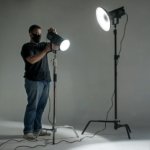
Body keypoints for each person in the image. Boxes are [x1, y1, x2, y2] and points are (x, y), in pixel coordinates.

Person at [21, 25, 56, 140]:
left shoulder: (43, 45)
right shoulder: (27, 47)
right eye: (36, 33)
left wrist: (54, 36)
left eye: (40, 33)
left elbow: (57, 47)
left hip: (46, 80)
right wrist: (45, 50)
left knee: (41, 107)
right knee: (33, 106)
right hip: (33, 81)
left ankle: (37, 129)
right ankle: (28, 131)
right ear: (30, 34)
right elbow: (32, 60)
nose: (38, 35)